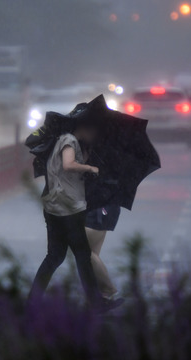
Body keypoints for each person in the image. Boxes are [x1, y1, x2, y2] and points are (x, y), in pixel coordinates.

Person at [28, 117, 123, 312]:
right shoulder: (69, 140)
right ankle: (100, 298)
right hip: (68, 208)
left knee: (56, 256)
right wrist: (90, 168)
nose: (94, 134)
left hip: (56, 207)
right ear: (83, 127)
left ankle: (33, 299)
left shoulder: (66, 141)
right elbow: (68, 165)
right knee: (83, 254)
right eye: (93, 129)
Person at [85, 205, 121, 299]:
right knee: (92, 255)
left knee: (85, 252)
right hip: (105, 211)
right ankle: (99, 296)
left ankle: (108, 289)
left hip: (96, 212)